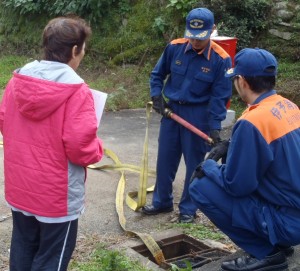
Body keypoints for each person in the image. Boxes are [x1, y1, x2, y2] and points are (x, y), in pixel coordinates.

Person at [0, 16, 104, 271]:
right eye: (83, 49)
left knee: (23, 244)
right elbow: (81, 149)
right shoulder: (78, 92)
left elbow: (4, 122)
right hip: (56, 196)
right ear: (74, 50)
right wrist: (97, 149)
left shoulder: (17, 81)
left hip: (20, 186)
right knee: (52, 257)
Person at [189, 48, 300, 271]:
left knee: (200, 186)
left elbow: (237, 185)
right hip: (293, 212)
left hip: (288, 222)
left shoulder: (252, 121)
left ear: (241, 81)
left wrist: (209, 167)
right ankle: (279, 243)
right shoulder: (288, 106)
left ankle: (267, 253)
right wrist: (231, 144)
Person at [142, 7, 232, 223]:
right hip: (172, 112)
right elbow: (157, 74)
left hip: (198, 115)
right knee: (165, 159)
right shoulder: (175, 48)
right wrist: (157, 97)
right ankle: (162, 202)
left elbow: (220, 97)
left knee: (194, 164)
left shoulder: (221, 60)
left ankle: (188, 209)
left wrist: (214, 126)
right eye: (191, 36)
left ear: (213, 30)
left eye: (200, 38)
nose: (195, 41)